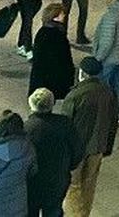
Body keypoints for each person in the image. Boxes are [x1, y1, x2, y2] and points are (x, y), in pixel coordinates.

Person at [58, 57, 119, 217]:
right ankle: (85, 212)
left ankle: (76, 215)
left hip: (77, 150)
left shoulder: (75, 95)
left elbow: (66, 125)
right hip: (98, 146)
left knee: (74, 185)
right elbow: (112, 123)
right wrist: (108, 147)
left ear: (82, 73)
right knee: (89, 183)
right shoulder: (108, 92)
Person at [25, 88, 83, 217]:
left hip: (32, 184)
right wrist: (69, 167)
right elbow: (77, 150)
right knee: (54, 211)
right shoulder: (65, 123)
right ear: (52, 104)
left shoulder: (26, 128)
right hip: (57, 180)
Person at [29, 4, 76, 102]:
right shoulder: (57, 33)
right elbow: (63, 55)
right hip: (53, 73)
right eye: (62, 14)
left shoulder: (44, 30)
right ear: (56, 16)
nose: (64, 16)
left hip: (43, 73)